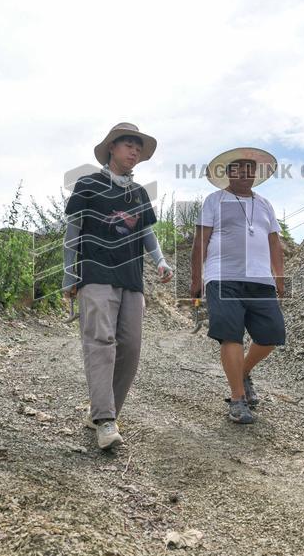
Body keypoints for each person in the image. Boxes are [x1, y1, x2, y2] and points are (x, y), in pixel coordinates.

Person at [62, 122, 173, 449]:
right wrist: (69, 274)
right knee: (101, 342)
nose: (134, 152)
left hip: (131, 280)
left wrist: (160, 260)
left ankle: (102, 411)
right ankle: (105, 420)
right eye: (128, 145)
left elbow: (146, 232)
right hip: (95, 275)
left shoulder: (138, 193)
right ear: (111, 147)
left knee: (130, 348)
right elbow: (73, 231)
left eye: (138, 148)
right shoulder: (88, 185)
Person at [190, 147, 286, 424]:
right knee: (230, 335)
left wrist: (279, 276)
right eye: (238, 168)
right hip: (222, 277)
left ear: (256, 174)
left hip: (260, 279)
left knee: (272, 335)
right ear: (228, 173)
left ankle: (242, 372)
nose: (245, 172)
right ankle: (237, 399)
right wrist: (196, 278)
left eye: (249, 168)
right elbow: (200, 241)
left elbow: (274, 243)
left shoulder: (265, 204)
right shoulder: (215, 200)